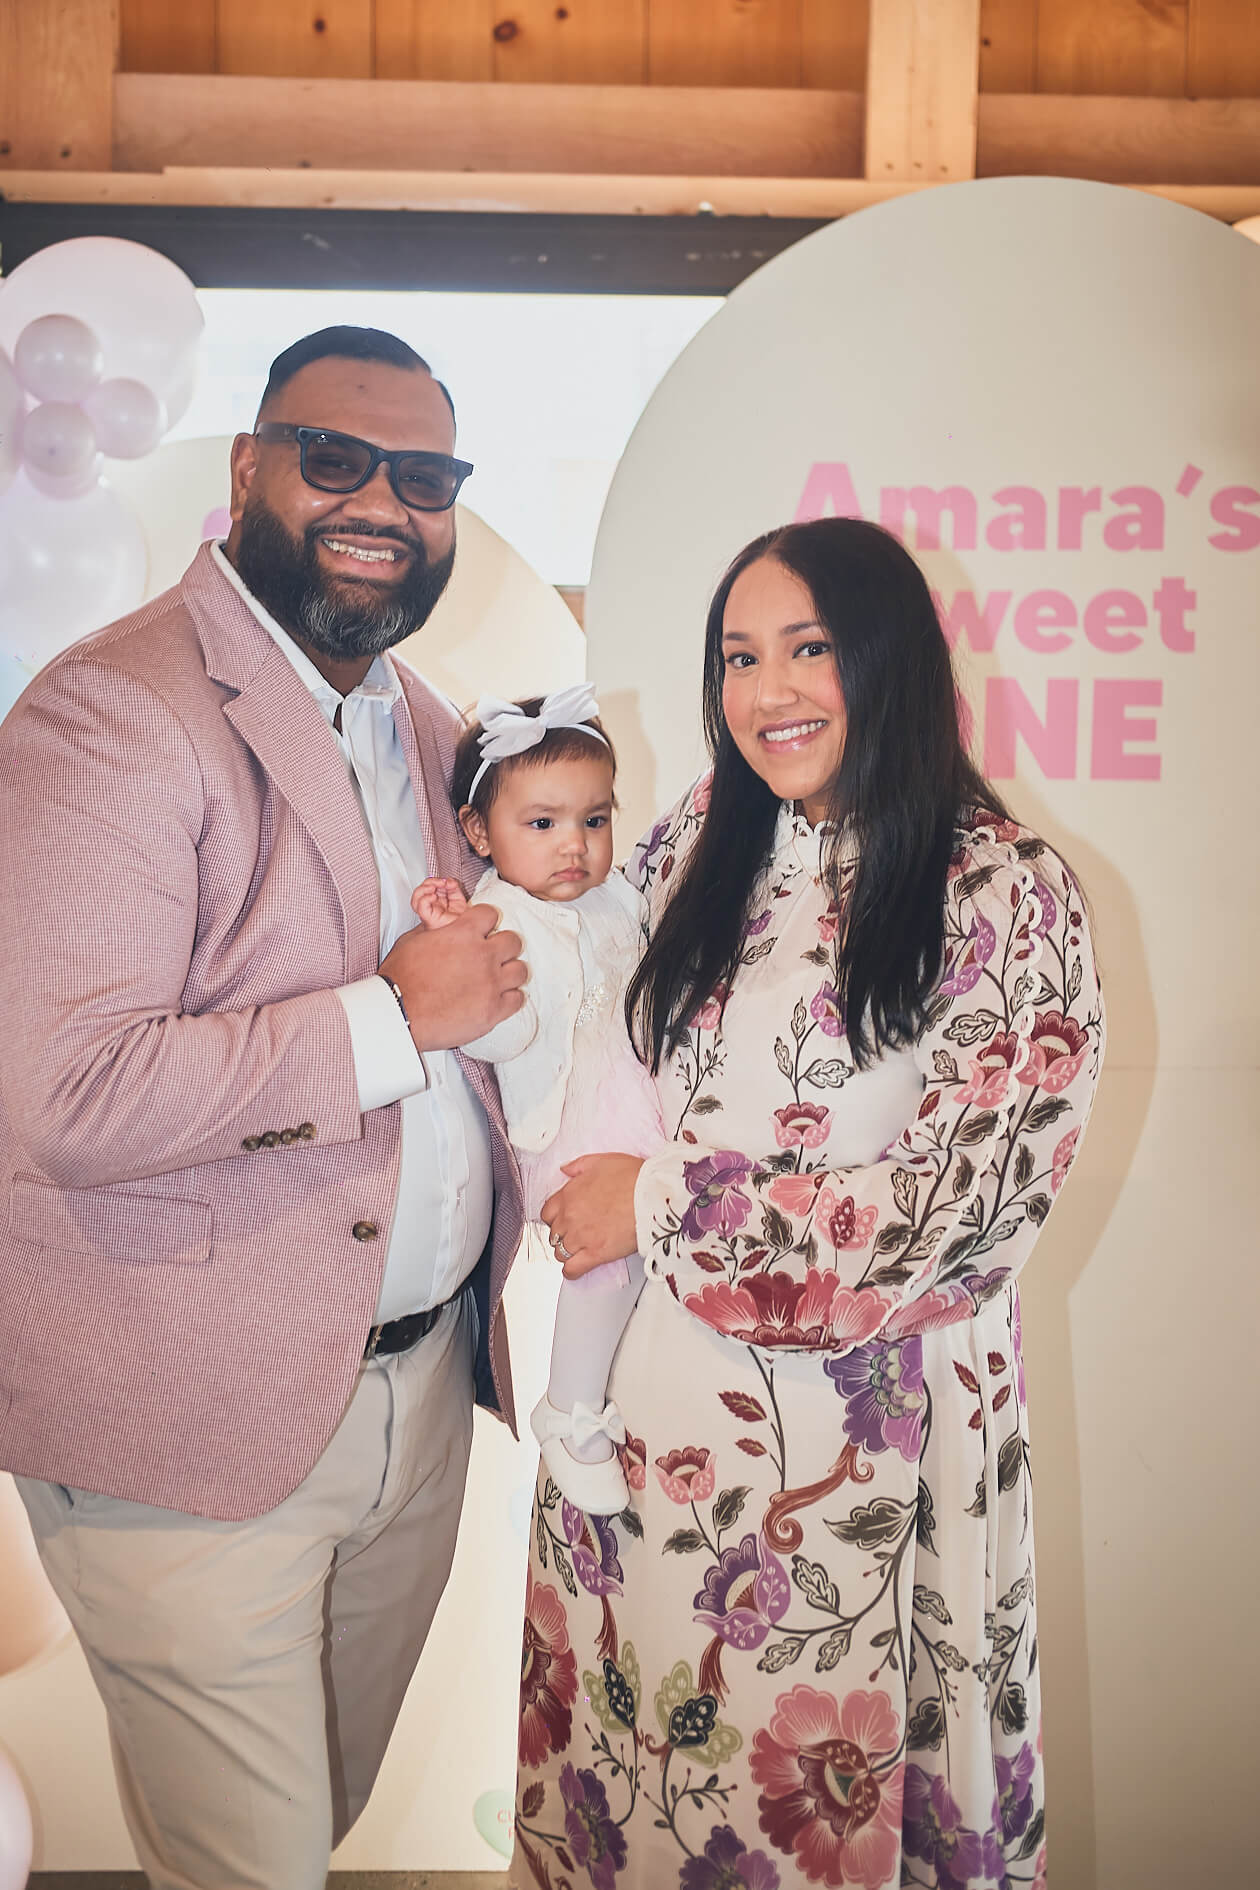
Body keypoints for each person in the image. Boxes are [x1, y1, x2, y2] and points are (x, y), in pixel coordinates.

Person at [0, 325, 528, 1890]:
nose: (382, 501)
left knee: (313, 1821)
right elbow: (66, 1091)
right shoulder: (110, 710)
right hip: (183, 1418)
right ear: (248, 468)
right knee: (255, 1865)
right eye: (336, 457)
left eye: (424, 475)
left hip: (419, 1395)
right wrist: (392, 1018)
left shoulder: (431, 724)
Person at [511, 518, 1103, 1890]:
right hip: (635, 1455)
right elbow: (588, 1021)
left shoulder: (1004, 889)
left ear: (887, 658)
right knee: (640, 1798)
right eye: (738, 657)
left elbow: (961, 1222)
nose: (766, 691)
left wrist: (660, 1206)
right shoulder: (696, 841)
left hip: (860, 1486)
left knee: (810, 1823)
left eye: (808, 648)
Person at [412, 683, 665, 1517]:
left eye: (594, 820)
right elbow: (492, 1039)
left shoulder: (618, 896)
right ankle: (572, 1410)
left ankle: (619, 1387)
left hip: (640, 1092)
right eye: (544, 823)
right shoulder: (495, 914)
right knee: (604, 1261)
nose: (574, 847)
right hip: (569, 1115)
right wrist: (459, 946)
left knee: (657, 1247)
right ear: (480, 832)